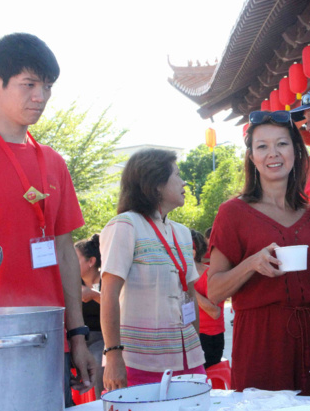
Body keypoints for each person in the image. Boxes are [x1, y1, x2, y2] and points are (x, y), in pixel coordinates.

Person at [0, 33, 95, 406]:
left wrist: (76, 334)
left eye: (47, 86)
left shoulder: (54, 162)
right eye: (29, 85)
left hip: (47, 337)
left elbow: (63, 250)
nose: (40, 97)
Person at [207, 110, 310, 395]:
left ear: (297, 151)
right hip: (260, 339)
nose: (273, 153)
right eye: (262, 146)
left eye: (282, 144)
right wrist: (251, 264)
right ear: (251, 157)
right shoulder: (232, 213)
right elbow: (213, 291)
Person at [100, 148, 205, 391]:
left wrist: (195, 343)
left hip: (188, 358)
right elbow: (108, 294)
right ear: (156, 184)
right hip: (139, 361)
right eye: (177, 175)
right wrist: (113, 356)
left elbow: (190, 294)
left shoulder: (182, 232)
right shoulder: (125, 225)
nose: (184, 182)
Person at [75, 234, 105, 398]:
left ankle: (104, 403)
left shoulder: (106, 279)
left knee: (99, 360)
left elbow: (117, 305)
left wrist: (94, 295)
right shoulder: (72, 282)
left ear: (91, 261)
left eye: (75, 259)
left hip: (102, 338)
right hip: (77, 338)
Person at [192, 228, 225, 369]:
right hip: (186, 335)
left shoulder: (209, 274)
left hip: (208, 338)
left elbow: (215, 312)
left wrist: (190, 290)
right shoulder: (175, 273)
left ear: (194, 251)